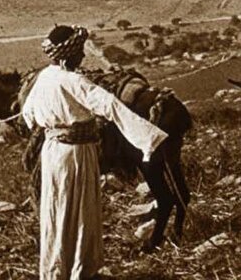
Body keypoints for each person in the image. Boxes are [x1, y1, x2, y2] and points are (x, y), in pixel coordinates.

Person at [21, 25, 168, 280]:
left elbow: (28, 114)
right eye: (79, 51)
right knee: (79, 210)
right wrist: (148, 138)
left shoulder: (44, 77)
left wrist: (54, 122)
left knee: (57, 209)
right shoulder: (74, 81)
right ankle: (81, 270)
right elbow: (110, 106)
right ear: (69, 54)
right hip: (76, 154)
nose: (82, 56)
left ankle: (56, 270)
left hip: (53, 151)